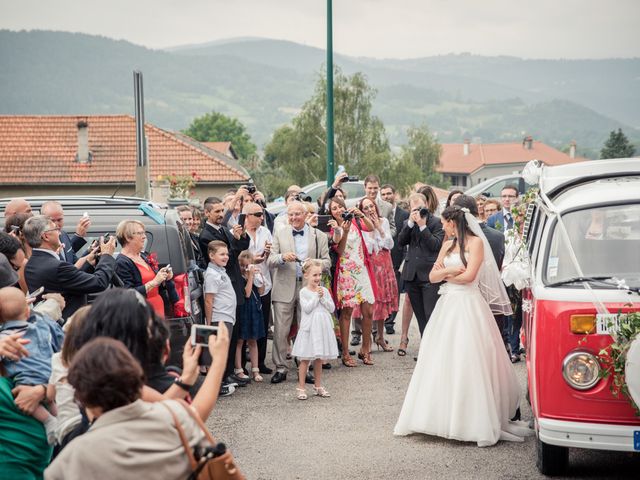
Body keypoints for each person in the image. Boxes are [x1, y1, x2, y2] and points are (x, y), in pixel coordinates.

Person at [394, 206, 529, 447]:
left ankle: (472, 420)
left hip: (468, 303)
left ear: (454, 223)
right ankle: (438, 417)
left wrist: (446, 275)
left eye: (445, 223)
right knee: (440, 357)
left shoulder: (476, 243)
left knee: (469, 357)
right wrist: (448, 271)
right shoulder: (446, 244)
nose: (443, 227)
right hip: (447, 304)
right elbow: (432, 277)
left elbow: (470, 277)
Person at [44, 333, 229, 479]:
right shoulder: (175, 418)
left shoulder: (72, 459)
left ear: (80, 396)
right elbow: (195, 414)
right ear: (137, 380)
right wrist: (217, 362)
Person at [267, 201, 331, 383]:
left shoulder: (318, 236)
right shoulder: (279, 233)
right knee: (281, 330)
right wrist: (281, 257)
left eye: (297, 214)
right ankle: (280, 367)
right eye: (291, 215)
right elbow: (270, 260)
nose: (294, 218)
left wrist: (315, 262)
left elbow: (327, 263)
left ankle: (306, 366)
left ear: (305, 215)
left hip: (308, 287)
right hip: (284, 286)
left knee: (307, 327)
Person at [0, 286, 64, 444]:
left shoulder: (5, 338)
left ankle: (50, 421)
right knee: (54, 406)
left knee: (26, 399)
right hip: (49, 377)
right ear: (28, 312)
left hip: (25, 384)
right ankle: (60, 422)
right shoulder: (42, 325)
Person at [198, 196, 250, 388]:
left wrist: (241, 236)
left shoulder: (224, 229)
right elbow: (227, 255)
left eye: (222, 211)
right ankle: (223, 376)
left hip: (232, 286)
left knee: (234, 334)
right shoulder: (206, 235)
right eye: (217, 211)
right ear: (207, 213)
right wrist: (234, 242)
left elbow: (242, 247)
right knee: (223, 339)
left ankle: (230, 372)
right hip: (222, 289)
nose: (221, 214)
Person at [23, 215, 116, 319]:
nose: (60, 233)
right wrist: (107, 255)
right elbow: (99, 282)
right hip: (67, 326)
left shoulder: (31, 265)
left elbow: (68, 285)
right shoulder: (57, 267)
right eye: (56, 229)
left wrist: (88, 264)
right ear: (45, 236)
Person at [327, 197, 377, 366]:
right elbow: (339, 251)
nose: (338, 210)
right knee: (347, 313)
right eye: (334, 209)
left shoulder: (354, 220)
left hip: (361, 270)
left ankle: (365, 349)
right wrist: (344, 231)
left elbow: (371, 229)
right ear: (331, 213)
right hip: (345, 272)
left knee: (368, 310)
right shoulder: (334, 228)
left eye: (339, 207)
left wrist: (361, 215)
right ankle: (346, 353)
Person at [454, 195, 508, 347]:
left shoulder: (456, 238)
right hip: (493, 293)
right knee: (494, 342)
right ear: (478, 210)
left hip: (465, 294)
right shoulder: (498, 236)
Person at [398, 193, 444, 344]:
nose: (417, 212)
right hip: (412, 275)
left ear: (426, 205)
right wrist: (411, 223)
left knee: (430, 314)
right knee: (420, 316)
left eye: (420, 208)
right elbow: (401, 241)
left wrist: (423, 226)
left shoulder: (437, 222)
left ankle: (433, 347)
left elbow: (435, 245)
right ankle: (426, 347)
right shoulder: (408, 223)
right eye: (414, 209)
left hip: (429, 275)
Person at [291, 260, 338, 400]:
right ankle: (301, 387)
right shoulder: (303, 292)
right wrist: (317, 296)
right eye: (314, 275)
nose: (318, 278)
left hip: (321, 328)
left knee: (319, 358)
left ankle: (318, 385)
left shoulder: (324, 290)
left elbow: (332, 308)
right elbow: (307, 308)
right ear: (306, 275)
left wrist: (323, 298)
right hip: (309, 328)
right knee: (305, 358)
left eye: (319, 275)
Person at [115, 219, 179, 318]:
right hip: (141, 312)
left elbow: (157, 286)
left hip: (158, 308)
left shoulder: (143, 256)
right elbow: (128, 294)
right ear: (128, 238)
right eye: (140, 233)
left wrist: (165, 278)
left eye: (144, 233)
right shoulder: (122, 262)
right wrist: (154, 282)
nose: (144, 236)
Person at [356, 197, 397, 351]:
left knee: (382, 300)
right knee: (369, 303)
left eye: (371, 206)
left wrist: (380, 228)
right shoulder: (360, 225)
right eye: (366, 208)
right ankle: (366, 341)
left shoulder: (384, 221)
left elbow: (390, 244)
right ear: (362, 211)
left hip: (385, 264)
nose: (370, 210)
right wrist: (372, 231)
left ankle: (380, 336)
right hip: (370, 265)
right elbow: (369, 248)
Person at [203, 240, 239, 395]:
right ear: (211, 256)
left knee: (220, 352)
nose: (226, 257)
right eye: (222, 254)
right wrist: (210, 323)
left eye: (227, 254)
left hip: (227, 316)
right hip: (219, 318)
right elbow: (209, 299)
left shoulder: (220, 271)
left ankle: (218, 383)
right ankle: (214, 388)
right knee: (215, 353)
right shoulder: (212, 274)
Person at [243, 202, 274, 374]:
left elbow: (269, 257)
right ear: (247, 215)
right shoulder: (238, 232)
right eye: (257, 214)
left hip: (264, 282)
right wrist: (252, 260)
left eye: (262, 214)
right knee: (245, 323)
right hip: (246, 283)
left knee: (263, 322)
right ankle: (242, 365)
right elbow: (238, 258)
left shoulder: (266, 232)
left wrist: (267, 254)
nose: (261, 217)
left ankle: (260, 362)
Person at [380, 184, 409, 335]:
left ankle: (390, 321)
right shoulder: (377, 212)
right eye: (383, 194)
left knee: (395, 291)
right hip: (380, 258)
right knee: (381, 291)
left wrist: (404, 260)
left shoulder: (404, 214)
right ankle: (381, 319)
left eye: (388, 193)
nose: (386, 196)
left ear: (394, 194)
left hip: (397, 257)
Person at [235, 250, 266, 382]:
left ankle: (255, 369)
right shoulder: (239, 278)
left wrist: (260, 277)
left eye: (248, 265)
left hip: (254, 308)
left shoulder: (254, 274)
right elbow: (247, 293)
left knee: (253, 340)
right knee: (240, 340)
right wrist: (250, 277)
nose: (245, 268)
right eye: (242, 266)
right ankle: (239, 369)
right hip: (243, 308)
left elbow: (261, 290)